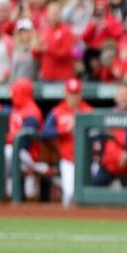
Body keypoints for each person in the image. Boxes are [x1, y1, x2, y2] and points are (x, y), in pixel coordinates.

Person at [40, 77, 93, 205]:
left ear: (80, 94)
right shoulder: (57, 111)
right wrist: (64, 130)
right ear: (66, 94)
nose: (73, 97)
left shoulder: (89, 111)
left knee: (86, 196)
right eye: (71, 94)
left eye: (76, 94)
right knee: (69, 193)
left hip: (87, 160)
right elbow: (45, 133)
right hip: (68, 159)